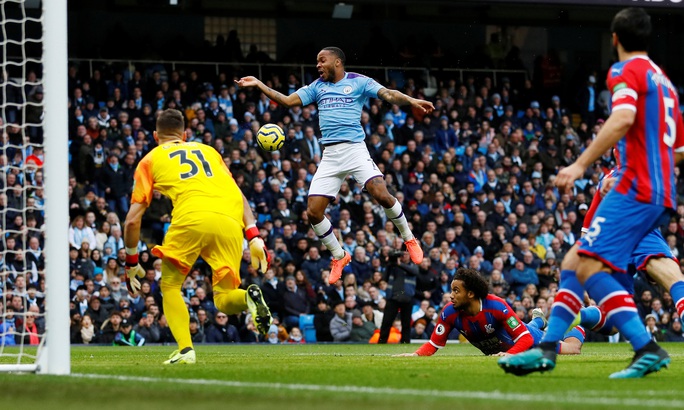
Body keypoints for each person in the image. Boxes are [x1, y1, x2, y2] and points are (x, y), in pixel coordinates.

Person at [500, 8, 682, 379]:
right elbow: (677, 149)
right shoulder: (665, 83)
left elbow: (622, 117)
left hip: (635, 187)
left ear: (615, 39)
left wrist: (580, 164)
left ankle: (642, 347)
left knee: (580, 265)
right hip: (660, 190)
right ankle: (552, 349)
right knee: (577, 264)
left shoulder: (624, 71)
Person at [235, 47, 434, 284]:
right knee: (313, 212)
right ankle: (339, 255)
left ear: (337, 62)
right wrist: (259, 84)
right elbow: (288, 101)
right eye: (317, 61)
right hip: (330, 154)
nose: (318, 65)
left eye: (322, 60)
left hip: (354, 149)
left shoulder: (359, 82)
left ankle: (409, 238)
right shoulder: (317, 87)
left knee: (381, 194)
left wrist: (411, 100)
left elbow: (389, 95)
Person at [123, 109, 273, 365]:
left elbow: (132, 220)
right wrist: (254, 236)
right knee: (225, 299)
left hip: (191, 216)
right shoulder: (209, 151)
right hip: (229, 220)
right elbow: (238, 194)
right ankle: (248, 297)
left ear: (155, 135)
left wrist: (131, 260)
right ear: (185, 134)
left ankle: (185, 350)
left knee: (170, 286)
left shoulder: (149, 159)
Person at [395, 268, 585, 357]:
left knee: (573, 349)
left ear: (470, 294)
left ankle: (583, 320)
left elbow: (525, 340)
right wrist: (415, 355)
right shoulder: (449, 313)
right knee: (524, 326)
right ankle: (537, 319)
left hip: (528, 341)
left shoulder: (496, 306)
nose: (450, 296)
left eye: (456, 291)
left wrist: (510, 354)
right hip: (513, 337)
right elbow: (433, 344)